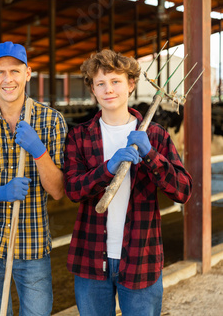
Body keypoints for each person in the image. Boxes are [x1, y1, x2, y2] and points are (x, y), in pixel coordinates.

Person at [64, 49, 193, 316]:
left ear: (131, 84)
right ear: (93, 89)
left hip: (140, 257)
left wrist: (151, 155)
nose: (108, 89)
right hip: (90, 259)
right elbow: (73, 190)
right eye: (100, 83)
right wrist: (107, 169)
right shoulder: (80, 135)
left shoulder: (155, 135)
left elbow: (183, 190)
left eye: (115, 81)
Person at [0, 41, 67, 315]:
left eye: (15, 71)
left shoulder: (51, 121)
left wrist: (39, 152)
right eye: (0, 72)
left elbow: (57, 191)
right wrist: (0, 193)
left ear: (28, 73)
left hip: (32, 246)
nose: (8, 79)